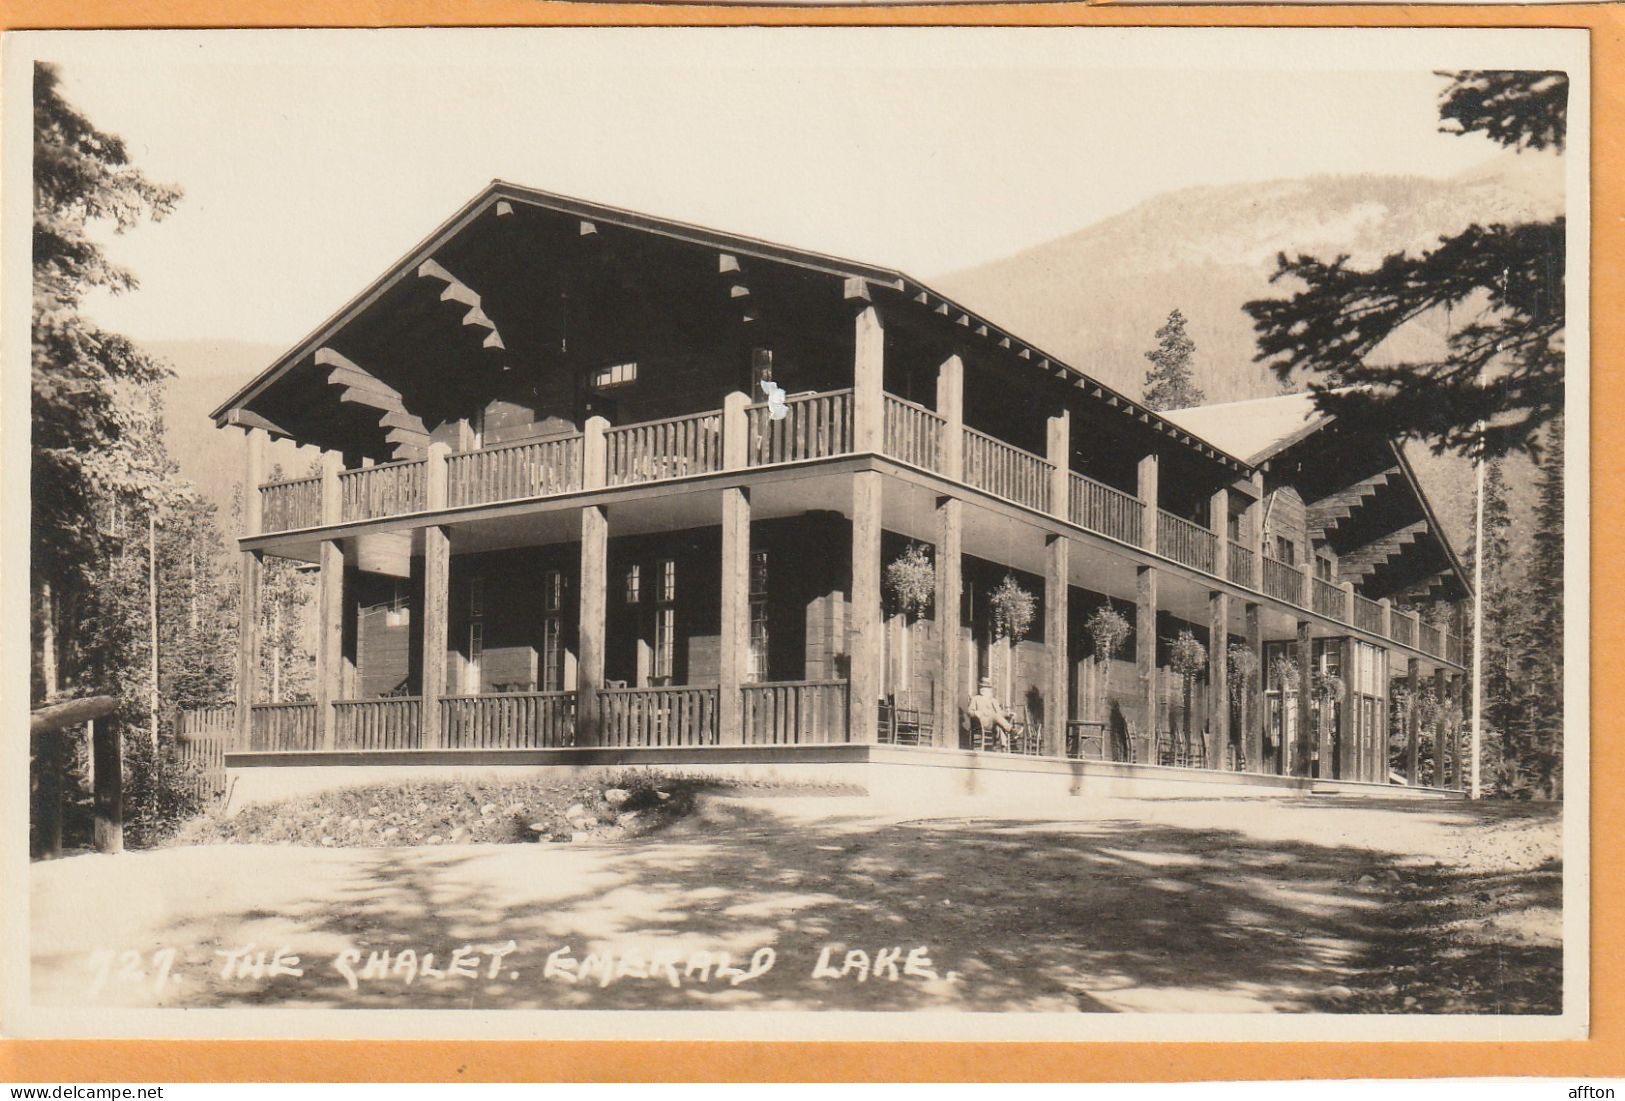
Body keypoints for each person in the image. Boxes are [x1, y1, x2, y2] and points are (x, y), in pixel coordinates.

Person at [966, 678, 1014, 750]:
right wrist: (975, 713)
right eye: (985, 688)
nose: (989, 691)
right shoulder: (976, 699)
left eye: (988, 689)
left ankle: (1002, 744)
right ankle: (1011, 731)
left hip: (993, 723)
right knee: (996, 717)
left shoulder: (994, 701)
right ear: (981, 690)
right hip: (982, 722)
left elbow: (1000, 713)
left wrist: (1008, 714)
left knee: (997, 718)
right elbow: (969, 712)